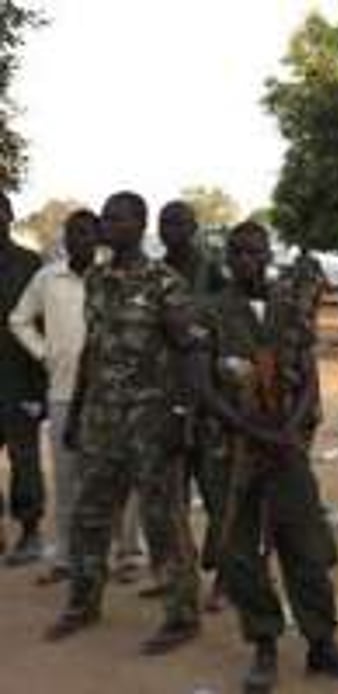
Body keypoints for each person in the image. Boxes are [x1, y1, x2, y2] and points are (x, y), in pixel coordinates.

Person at [188, 220, 338, 692]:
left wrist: (291, 427)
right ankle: (264, 645)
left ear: (268, 255)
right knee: (241, 555)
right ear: (227, 259)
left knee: (307, 547)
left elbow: (308, 373)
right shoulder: (208, 311)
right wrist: (249, 428)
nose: (248, 260)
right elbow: (200, 385)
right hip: (229, 453)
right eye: (239, 252)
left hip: (285, 448)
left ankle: (322, 644)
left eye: (256, 251)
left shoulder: (287, 306)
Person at [45, 191, 201, 654]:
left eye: (117, 219)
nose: (107, 226)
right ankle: (82, 603)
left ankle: (181, 615)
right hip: (100, 420)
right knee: (89, 516)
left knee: (163, 522)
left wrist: (179, 416)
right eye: (106, 218)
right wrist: (75, 412)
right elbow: (93, 349)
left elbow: (191, 350)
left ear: (139, 224)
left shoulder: (164, 282)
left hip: (151, 424)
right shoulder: (96, 278)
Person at [8, 209, 98, 583]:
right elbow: (19, 319)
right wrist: (46, 353)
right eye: (74, 234)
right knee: (66, 480)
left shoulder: (113, 278)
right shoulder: (47, 277)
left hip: (111, 396)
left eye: (89, 234)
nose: (82, 241)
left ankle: (126, 553)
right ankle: (65, 556)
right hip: (62, 391)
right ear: (65, 238)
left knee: (116, 479)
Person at [158, 199, 227, 606]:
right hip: (166, 399)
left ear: (194, 227)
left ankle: (224, 577)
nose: (171, 229)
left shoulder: (212, 274)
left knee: (217, 494)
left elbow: (225, 327)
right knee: (172, 498)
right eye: (166, 223)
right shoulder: (153, 274)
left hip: (208, 400)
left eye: (179, 222)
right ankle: (181, 578)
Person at [0, 190, 49, 567]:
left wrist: (40, 390)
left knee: (25, 459)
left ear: (9, 215)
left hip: (19, 379)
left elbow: (42, 326)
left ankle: (30, 532)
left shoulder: (30, 264)